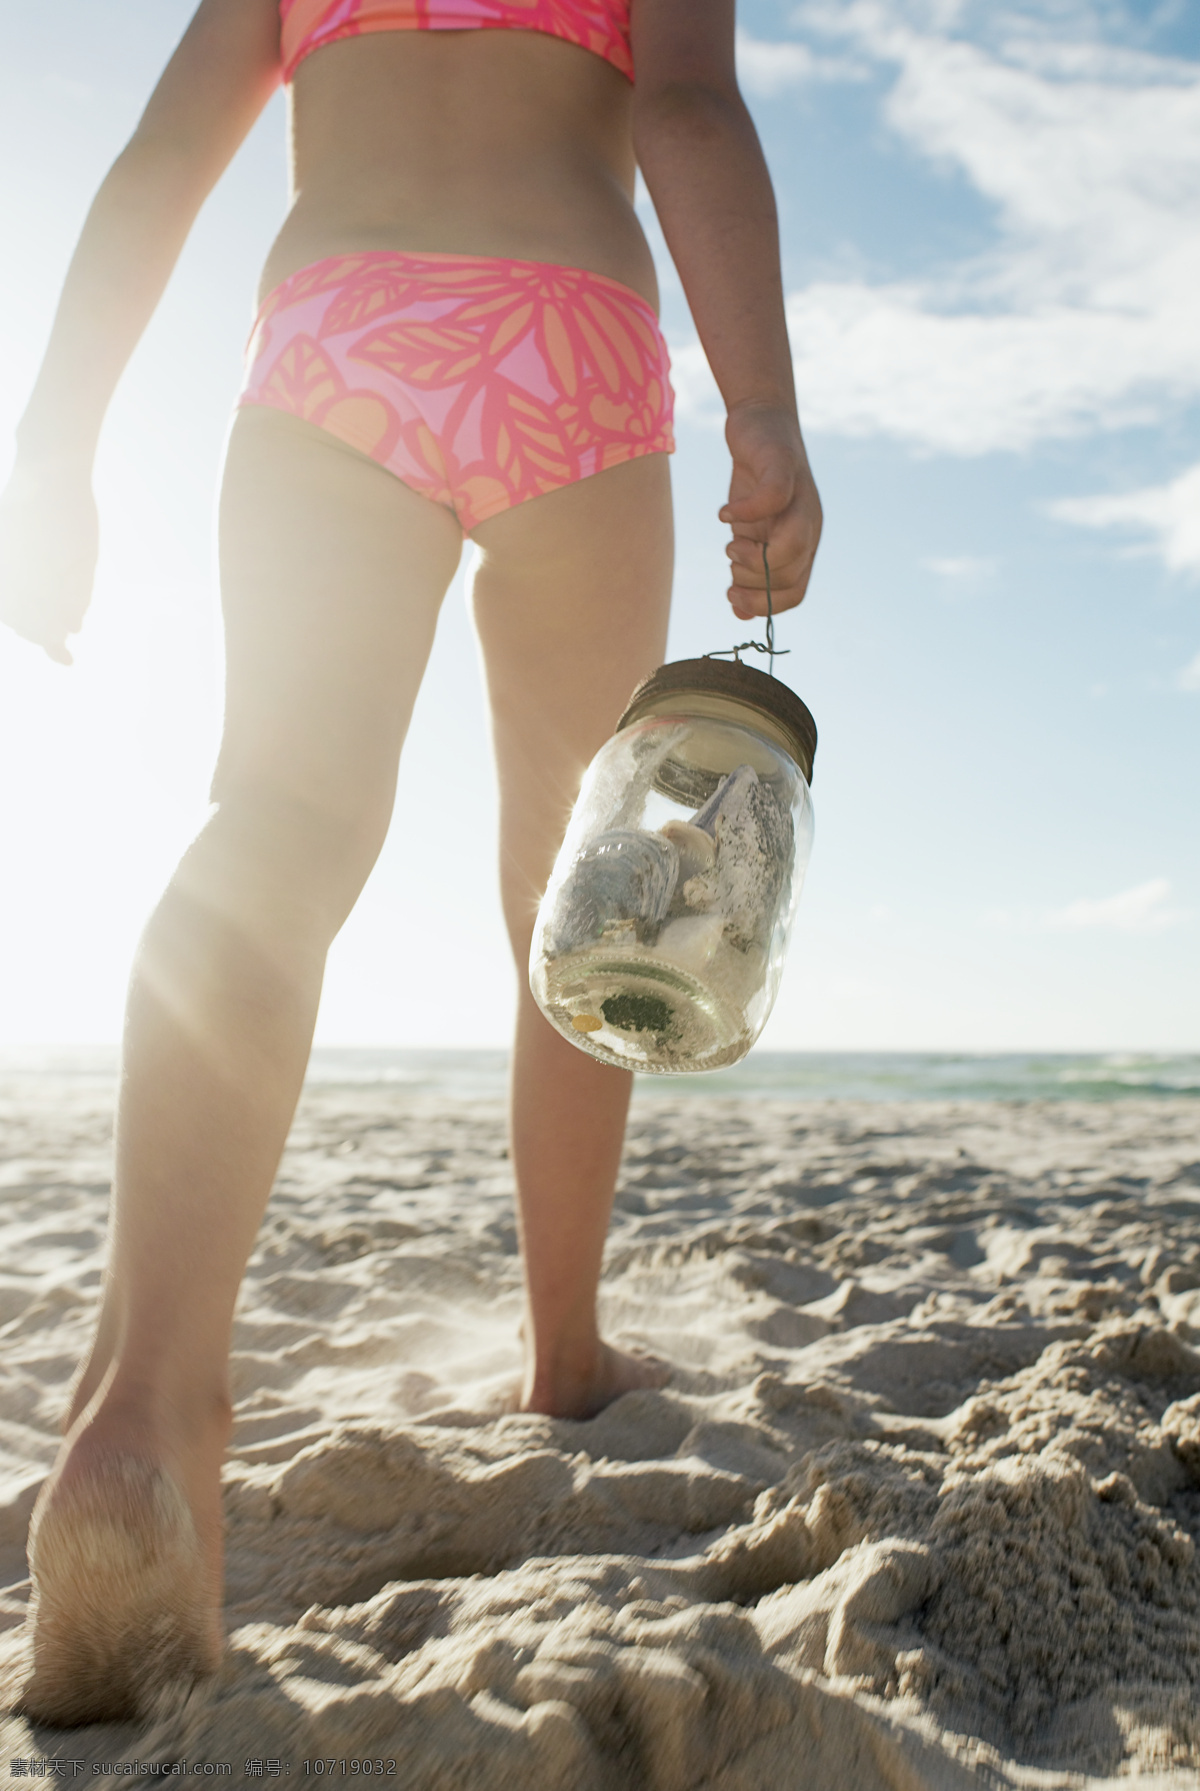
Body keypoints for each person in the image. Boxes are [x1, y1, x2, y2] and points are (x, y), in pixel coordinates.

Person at [0, 0, 821, 1726]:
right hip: (572, 345)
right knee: (574, 888)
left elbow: (166, 155)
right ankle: (566, 1351)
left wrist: (55, 439)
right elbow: (689, 114)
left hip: (337, 340)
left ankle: (149, 1406)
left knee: (277, 832)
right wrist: (765, 415)